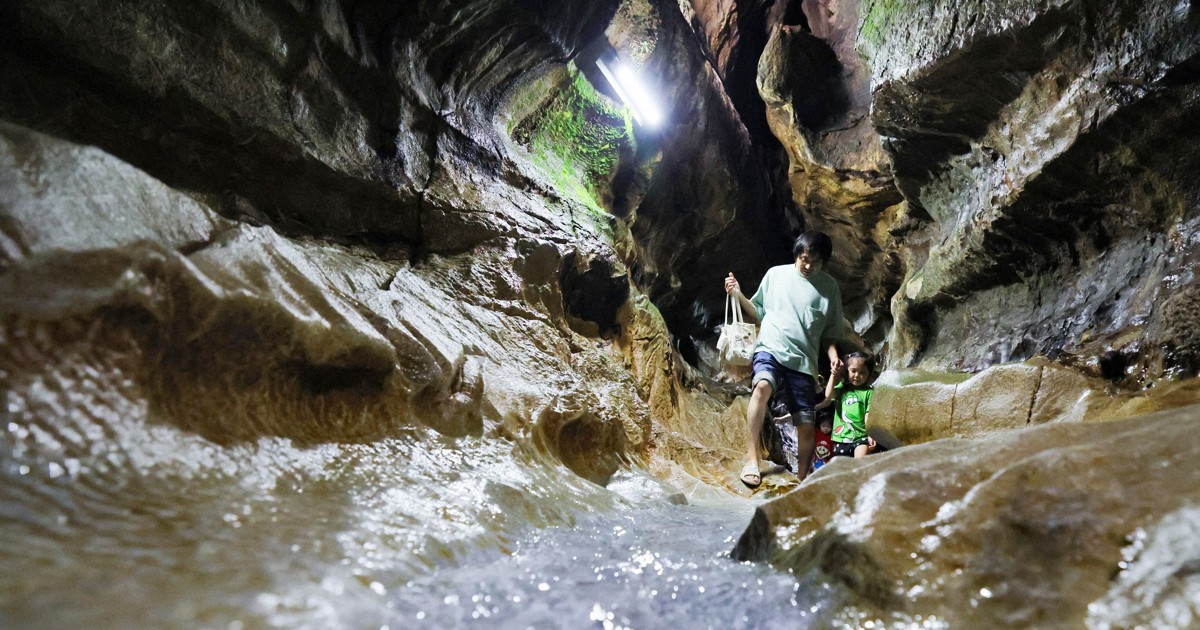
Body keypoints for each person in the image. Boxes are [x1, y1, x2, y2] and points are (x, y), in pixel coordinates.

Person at [724, 231, 844, 487]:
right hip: (771, 347)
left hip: (804, 362)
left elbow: (830, 335)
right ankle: (751, 459)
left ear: (824, 261)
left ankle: (803, 478)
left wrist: (833, 357)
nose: (808, 265)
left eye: (815, 261)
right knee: (762, 387)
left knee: (805, 422)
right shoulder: (776, 275)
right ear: (796, 255)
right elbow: (758, 312)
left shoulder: (829, 288)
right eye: (804, 259)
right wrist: (738, 293)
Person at [817, 351, 877, 459]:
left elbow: (868, 415)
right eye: (853, 371)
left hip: (861, 437)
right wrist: (833, 375)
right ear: (847, 371)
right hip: (841, 437)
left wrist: (871, 434)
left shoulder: (869, 392)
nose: (857, 376)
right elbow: (828, 395)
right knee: (843, 469)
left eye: (862, 372)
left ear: (869, 374)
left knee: (859, 463)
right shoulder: (842, 388)